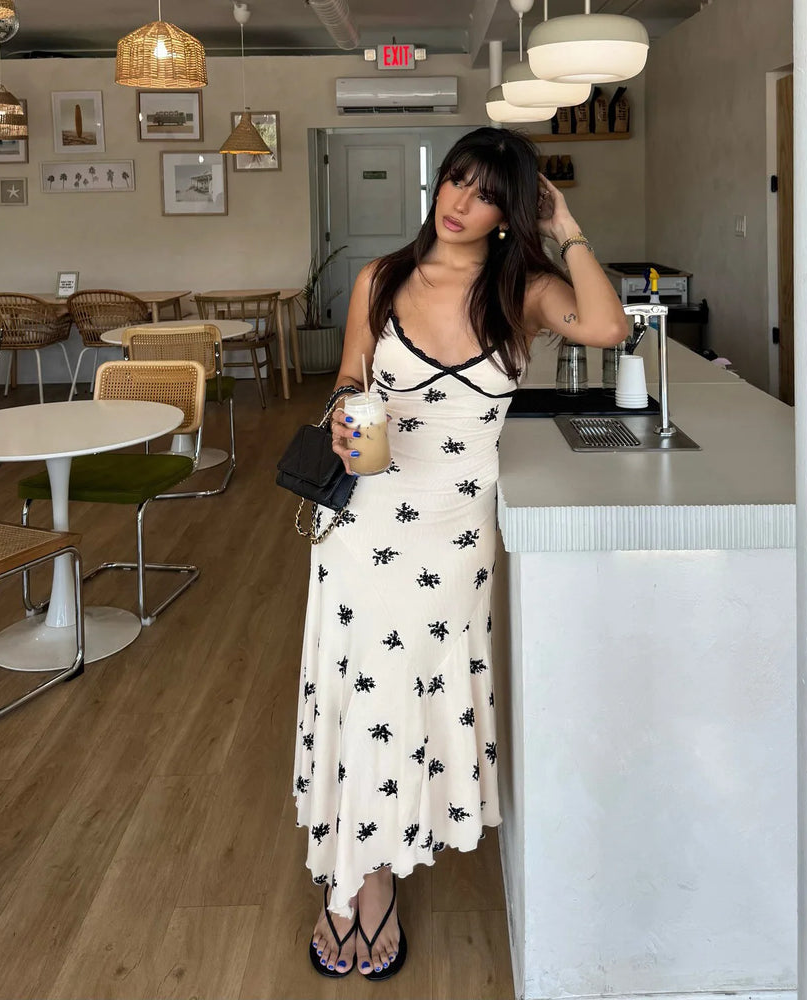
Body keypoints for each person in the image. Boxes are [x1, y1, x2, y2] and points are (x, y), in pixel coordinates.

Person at [294, 125, 627, 981]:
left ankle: (368, 871)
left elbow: (607, 325)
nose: (457, 202)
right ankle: (367, 889)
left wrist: (567, 226)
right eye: (453, 181)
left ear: (509, 212)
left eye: (483, 192)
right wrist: (342, 409)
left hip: (452, 531)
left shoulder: (524, 291)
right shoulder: (382, 277)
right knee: (363, 692)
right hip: (366, 518)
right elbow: (348, 372)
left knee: (410, 695)